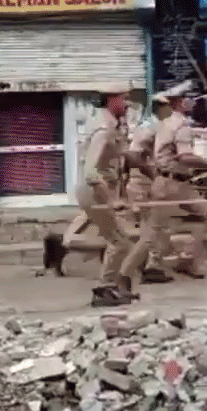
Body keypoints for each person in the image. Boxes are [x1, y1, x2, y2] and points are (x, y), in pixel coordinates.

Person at [65, 83, 139, 307]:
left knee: (119, 241)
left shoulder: (112, 126)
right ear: (111, 100)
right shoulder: (104, 129)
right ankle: (104, 290)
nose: (126, 104)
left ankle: (112, 288)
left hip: (100, 190)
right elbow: (91, 172)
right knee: (120, 242)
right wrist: (111, 199)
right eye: (123, 99)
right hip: (94, 191)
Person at [151, 82, 207, 279]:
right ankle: (186, 257)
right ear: (180, 102)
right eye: (188, 98)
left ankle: (155, 264)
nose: (192, 102)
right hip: (174, 183)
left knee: (159, 226)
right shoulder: (181, 124)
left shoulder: (164, 122)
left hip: (162, 180)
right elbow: (185, 156)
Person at [119, 89, 178, 285]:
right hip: (143, 185)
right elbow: (133, 155)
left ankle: (148, 267)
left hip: (143, 183)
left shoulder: (156, 126)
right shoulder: (150, 127)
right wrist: (152, 173)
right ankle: (133, 271)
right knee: (151, 230)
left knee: (153, 229)